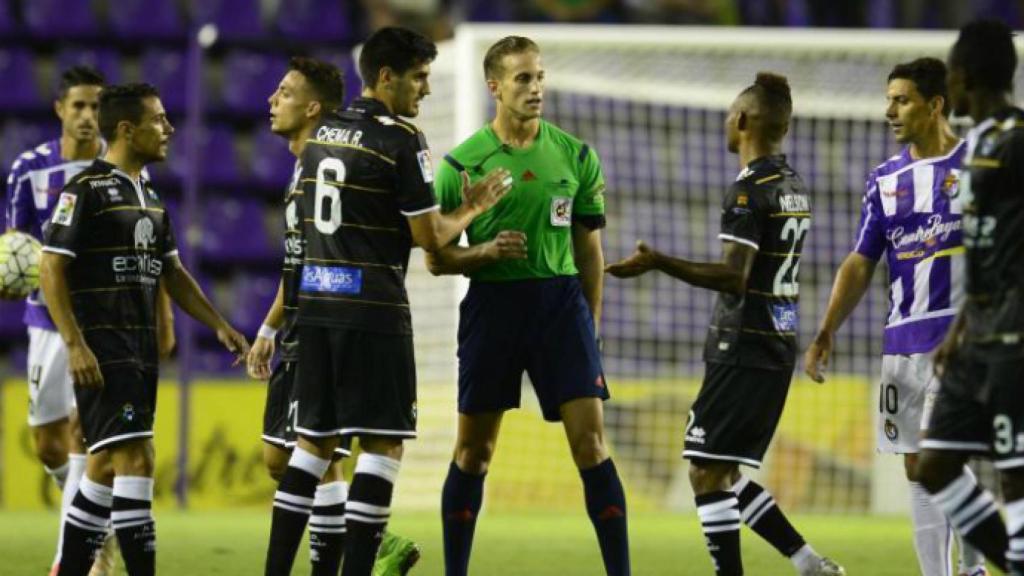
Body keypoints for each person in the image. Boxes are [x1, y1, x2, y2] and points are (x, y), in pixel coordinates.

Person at [262, 27, 511, 576]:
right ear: (385, 77)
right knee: (382, 447)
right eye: (418, 77)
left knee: (311, 446)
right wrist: (472, 207)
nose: (425, 90)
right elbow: (430, 237)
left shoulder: (323, 131)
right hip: (372, 311)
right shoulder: (401, 138)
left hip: (317, 309)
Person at [606, 73, 842, 576]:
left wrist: (658, 261)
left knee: (705, 474)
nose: (724, 122)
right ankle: (808, 563)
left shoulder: (748, 190)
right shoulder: (793, 185)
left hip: (744, 345)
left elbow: (734, 277)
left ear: (742, 121)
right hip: (775, 342)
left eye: (728, 114)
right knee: (724, 471)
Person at [426, 35, 630, 576]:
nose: (535, 87)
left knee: (591, 444)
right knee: (474, 452)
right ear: (494, 86)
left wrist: (591, 323)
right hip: (493, 305)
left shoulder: (576, 155)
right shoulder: (461, 166)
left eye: (539, 76)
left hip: (561, 308)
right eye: (522, 78)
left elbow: (589, 248)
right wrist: (486, 252)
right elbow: (436, 259)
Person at [40, 83, 249, 576]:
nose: (169, 128)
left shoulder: (150, 195)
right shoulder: (85, 190)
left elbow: (172, 273)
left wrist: (218, 324)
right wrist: (74, 344)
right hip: (104, 348)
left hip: (138, 350)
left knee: (102, 470)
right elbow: (50, 268)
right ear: (127, 129)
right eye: (159, 119)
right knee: (138, 460)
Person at [804, 57, 987, 576]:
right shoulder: (885, 179)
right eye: (888, 99)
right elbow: (861, 261)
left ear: (934, 105)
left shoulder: (978, 163)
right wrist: (825, 331)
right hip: (901, 341)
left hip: (960, 337)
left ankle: (979, 557)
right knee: (917, 467)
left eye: (901, 100)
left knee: (936, 459)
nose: (890, 110)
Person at [246, 56, 419, 576]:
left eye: (284, 92)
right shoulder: (304, 169)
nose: (272, 100)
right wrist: (270, 328)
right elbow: (296, 261)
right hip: (308, 323)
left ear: (313, 107)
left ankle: (368, 545)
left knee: (308, 452)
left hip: (332, 321)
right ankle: (367, 539)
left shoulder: (327, 165)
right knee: (293, 456)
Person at [3, 65, 173, 576]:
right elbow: (16, 247)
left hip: (105, 323)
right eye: (77, 105)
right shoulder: (28, 169)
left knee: (91, 438)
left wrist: (162, 315)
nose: (86, 116)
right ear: (60, 109)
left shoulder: (128, 172)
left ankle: (77, 555)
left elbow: (156, 254)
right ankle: (90, 518)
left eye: (96, 107)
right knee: (50, 442)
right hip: (44, 321)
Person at [916, 19, 1024, 574]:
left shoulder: (1018, 140)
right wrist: (957, 332)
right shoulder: (976, 144)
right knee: (933, 464)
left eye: (952, 74)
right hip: (976, 335)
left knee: (1015, 474)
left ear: (963, 76)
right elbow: (981, 256)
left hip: (1013, 339)